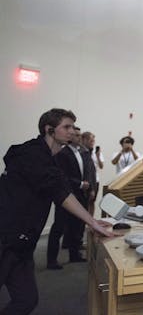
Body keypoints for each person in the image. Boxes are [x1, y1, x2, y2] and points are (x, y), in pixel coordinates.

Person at [0, 109, 113, 314]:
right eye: (66, 127)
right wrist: (93, 222)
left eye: (72, 127)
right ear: (49, 129)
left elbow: (62, 189)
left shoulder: (51, 158)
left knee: (26, 299)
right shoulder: (32, 153)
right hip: (6, 238)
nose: (72, 132)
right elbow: (61, 194)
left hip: (22, 245)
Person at [47, 126, 92, 268]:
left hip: (80, 196)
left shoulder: (81, 152)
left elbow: (87, 171)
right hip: (65, 195)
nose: (78, 137)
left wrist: (88, 186)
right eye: (76, 135)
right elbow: (62, 176)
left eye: (79, 135)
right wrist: (79, 184)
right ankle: (51, 261)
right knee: (58, 228)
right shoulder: (62, 153)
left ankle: (74, 255)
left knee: (76, 227)